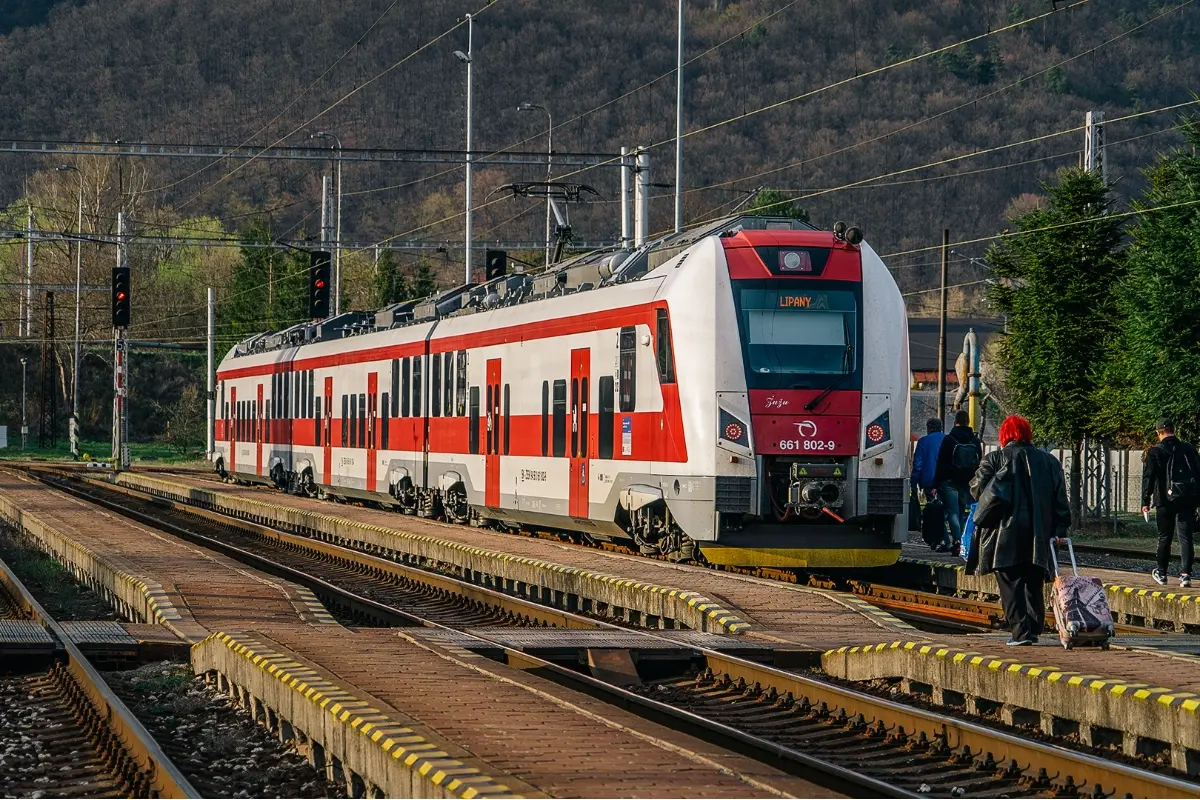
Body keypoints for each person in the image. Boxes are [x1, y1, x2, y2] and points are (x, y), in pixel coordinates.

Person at [970, 414, 1071, 646]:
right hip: (1040, 534)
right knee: (1033, 580)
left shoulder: (994, 459)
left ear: (1004, 435)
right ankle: (1034, 628)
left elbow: (977, 491)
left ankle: (1020, 633)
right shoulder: (1049, 461)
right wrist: (1060, 528)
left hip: (1004, 535)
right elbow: (1060, 501)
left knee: (1009, 582)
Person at [1140, 418, 1199, 588]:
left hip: (1164, 500)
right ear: (1174, 429)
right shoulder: (1188, 449)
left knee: (1164, 537)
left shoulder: (1155, 452)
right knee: (1186, 537)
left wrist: (1145, 501)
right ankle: (1186, 575)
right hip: (1187, 500)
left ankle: (1162, 572)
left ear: (1159, 432)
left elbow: (1148, 478)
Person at [933, 410, 983, 553]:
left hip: (949, 481)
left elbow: (941, 463)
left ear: (955, 421)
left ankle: (957, 541)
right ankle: (962, 543)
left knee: (952, 512)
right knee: (961, 512)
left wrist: (935, 484)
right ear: (968, 422)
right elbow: (979, 461)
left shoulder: (949, 439)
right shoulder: (975, 440)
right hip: (967, 481)